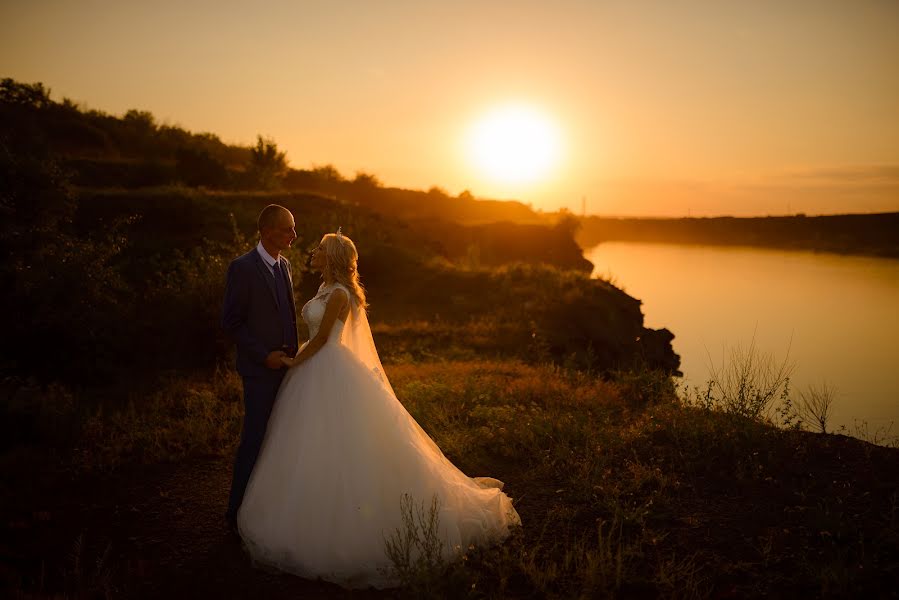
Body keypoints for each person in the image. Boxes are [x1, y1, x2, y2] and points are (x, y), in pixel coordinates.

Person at [237, 229, 521, 589]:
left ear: (335, 258)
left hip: (326, 368)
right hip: (314, 369)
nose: (314, 253)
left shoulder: (339, 294)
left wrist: (293, 363)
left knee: (343, 441)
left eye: (321, 250)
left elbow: (325, 338)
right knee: (311, 441)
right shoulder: (324, 289)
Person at [221, 204, 299, 531]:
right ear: (267, 231)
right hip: (258, 372)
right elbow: (232, 323)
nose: (294, 235)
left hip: (288, 371)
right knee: (254, 439)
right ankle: (235, 516)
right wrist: (261, 354)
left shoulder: (285, 267)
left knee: (281, 441)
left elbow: (288, 318)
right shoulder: (242, 268)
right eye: (287, 229)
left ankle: (269, 511)